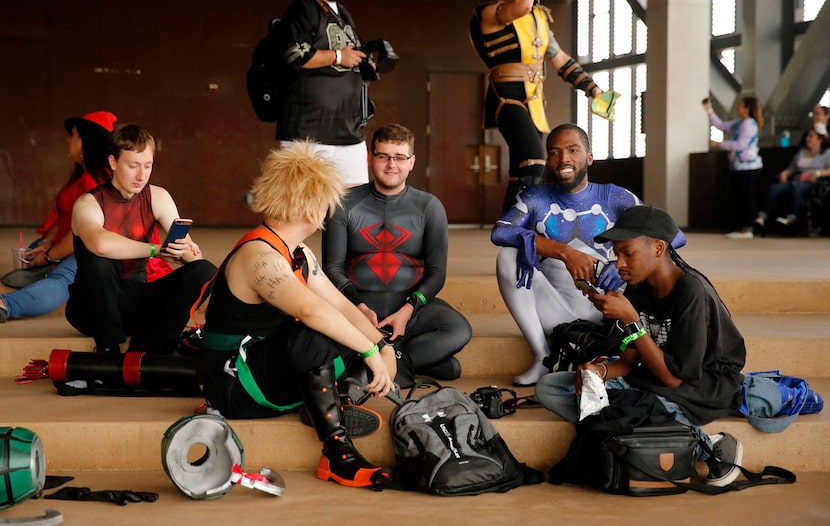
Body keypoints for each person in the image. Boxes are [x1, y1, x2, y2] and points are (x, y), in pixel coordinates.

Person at [198, 141, 396, 488]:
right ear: (311, 207)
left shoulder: (298, 252)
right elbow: (311, 310)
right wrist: (367, 352)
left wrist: (383, 346)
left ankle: (339, 399)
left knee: (353, 330)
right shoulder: (259, 255)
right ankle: (338, 455)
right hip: (233, 384)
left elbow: (341, 306)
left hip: (265, 367)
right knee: (316, 332)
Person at [535, 205, 746, 487]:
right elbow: (627, 361)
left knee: (642, 404)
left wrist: (633, 322)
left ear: (659, 248)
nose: (618, 263)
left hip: (701, 385)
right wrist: (599, 372)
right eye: (616, 253)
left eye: (628, 253)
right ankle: (629, 415)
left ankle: (711, 444)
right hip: (651, 378)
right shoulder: (638, 287)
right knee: (549, 387)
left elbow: (673, 379)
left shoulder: (691, 292)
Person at [491, 123, 686, 387]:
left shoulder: (615, 196)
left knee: (654, 263)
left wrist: (620, 265)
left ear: (589, 157)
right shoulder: (535, 196)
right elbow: (500, 232)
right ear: (548, 160)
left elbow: (675, 238)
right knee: (507, 257)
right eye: (555, 152)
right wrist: (565, 253)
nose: (564, 159)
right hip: (554, 309)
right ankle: (541, 357)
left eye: (573, 150)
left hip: (610, 311)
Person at [469, 0, 619, 212]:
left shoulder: (537, 18)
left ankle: (513, 229)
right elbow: (523, 2)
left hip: (534, 100)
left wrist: (593, 89)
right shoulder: (491, 11)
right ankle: (517, 228)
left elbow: (560, 59)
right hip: (506, 96)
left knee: (525, 169)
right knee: (534, 159)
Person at [322, 124, 473, 381]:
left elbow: (436, 274)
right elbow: (332, 268)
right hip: (355, 306)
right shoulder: (343, 203)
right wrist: (358, 307)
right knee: (317, 332)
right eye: (383, 156)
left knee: (458, 330)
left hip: (410, 307)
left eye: (400, 157)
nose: (391, 164)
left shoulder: (429, 206)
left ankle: (373, 363)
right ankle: (406, 363)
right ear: (371, 159)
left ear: (411, 162)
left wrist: (408, 310)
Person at [66, 123, 216, 354]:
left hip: (134, 299)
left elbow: (194, 259)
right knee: (100, 262)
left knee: (204, 270)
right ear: (113, 163)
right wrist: (157, 250)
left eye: (147, 166)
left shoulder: (158, 196)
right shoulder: (89, 202)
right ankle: (108, 347)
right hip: (92, 306)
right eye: (133, 166)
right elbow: (101, 244)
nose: (141, 175)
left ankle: (154, 346)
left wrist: (185, 251)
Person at [0, 111, 115, 323]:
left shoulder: (96, 184)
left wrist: (50, 255)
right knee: (34, 247)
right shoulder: (82, 176)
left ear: (85, 143)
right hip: (67, 246)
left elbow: (82, 235)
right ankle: (41, 277)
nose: (67, 140)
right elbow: (65, 215)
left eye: (73, 135)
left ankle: (7, 304)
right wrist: (48, 241)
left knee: (63, 279)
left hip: (89, 250)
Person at [274, 0, 372, 187]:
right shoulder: (302, 9)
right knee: (298, 213)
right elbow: (293, 54)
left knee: (353, 213)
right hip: (307, 135)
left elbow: (352, 55)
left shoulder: (344, 14)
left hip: (348, 132)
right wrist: (338, 57)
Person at [704, 95, 764, 239]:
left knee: (746, 197)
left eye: (740, 105)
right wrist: (709, 110)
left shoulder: (749, 124)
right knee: (739, 197)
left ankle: (747, 228)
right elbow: (721, 126)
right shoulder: (739, 122)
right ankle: (741, 226)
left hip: (749, 167)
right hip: (738, 166)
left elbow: (741, 145)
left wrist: (719, 144)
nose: (738, 108)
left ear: (747, 108)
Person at [753, 127, 830, 232]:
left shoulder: (826, 154)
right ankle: (761, 217)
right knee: (776, 188)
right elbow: (791, 169)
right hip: (795, 180)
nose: (808, 139)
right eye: (808, 136)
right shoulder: (801, 153)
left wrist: (818, 173)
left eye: (811, 136)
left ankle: (791, 218)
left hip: (812, 183)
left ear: (820, 139)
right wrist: (784, 173)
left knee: (797, 188)